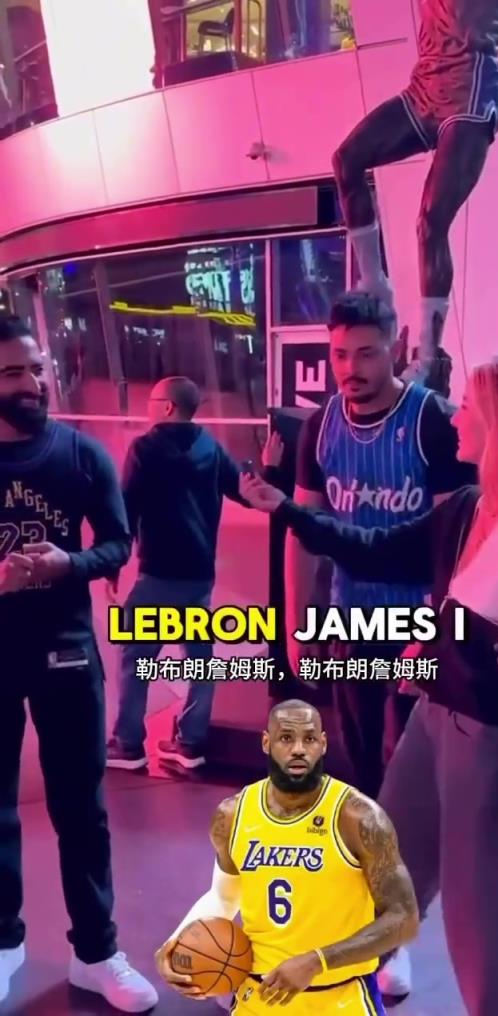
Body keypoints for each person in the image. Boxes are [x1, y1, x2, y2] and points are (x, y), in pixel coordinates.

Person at [240, 352, 498, 1016]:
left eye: (469, 406)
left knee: (486, 917)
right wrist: (288, 510)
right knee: (383, 864)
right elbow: (377, 549)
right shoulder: (474, 508)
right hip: (435, 717)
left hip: (490, 741)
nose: (456, 418)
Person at [0, 315, 157, 1011]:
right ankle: (3, 945)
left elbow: (119, 544)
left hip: (66, 651)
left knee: (81, 810)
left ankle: (96, 953)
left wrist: (69, 563)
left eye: (36, 368)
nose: (32, 384)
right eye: (12, 373)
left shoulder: (81, 455)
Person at [287, 292, 476, 798]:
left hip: (419, 619)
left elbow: (457, 548)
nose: (350, 368)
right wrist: (295, 628)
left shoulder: (433, 421)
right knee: (362, 765)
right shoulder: (320, 427)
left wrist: (437, 636)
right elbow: (302, 534)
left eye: (366, 353)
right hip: (350, 617)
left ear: (394, 349)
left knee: (417, 773)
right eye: (340, 355)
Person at [155, 699, 419, 1014]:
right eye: (286, 738)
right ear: (266, 743)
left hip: (340, 996)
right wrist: (177, 942)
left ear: (323, 744)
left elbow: (404, 918)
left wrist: (317, 961)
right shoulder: (233, 814)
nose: (298, 749)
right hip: (260, 996)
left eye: (309, 738)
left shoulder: (358, 817)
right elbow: (223, 897)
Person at [106, 377, 284, 772]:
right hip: (199, 576)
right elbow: (248, 494)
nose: (148, 407)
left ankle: (128, 745)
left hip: (158, 575)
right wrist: (269, 467)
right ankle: (190, 743)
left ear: (168, 407)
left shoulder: (144, 449)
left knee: (134, 659)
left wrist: (113, 564)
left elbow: (125, 508)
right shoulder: (210, 446)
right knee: (200, 661)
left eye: (153, 400)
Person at [333, 0, 498, 389]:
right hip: (425, 85)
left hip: (471, 85)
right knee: (347, 160)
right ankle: (375, 283)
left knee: (430, 221)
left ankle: (427, 354)